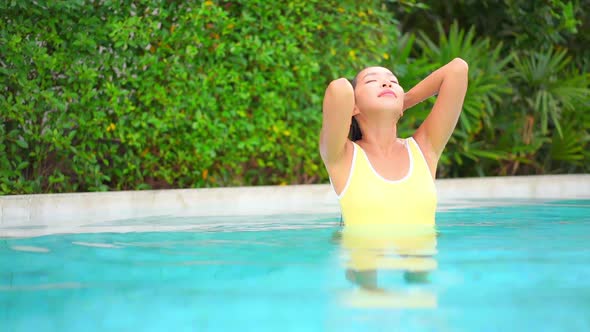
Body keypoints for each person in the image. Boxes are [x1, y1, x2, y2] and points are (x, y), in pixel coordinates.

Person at [321, 58, 468, 293]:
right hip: (364, 286)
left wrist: (403, 101)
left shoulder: (424, 149)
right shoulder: (342, 157)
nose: (386, 84)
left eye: (393, 82)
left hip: (421, 275)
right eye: (372, 81)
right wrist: (395, 99)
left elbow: (458, 69)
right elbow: (339, 89)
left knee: (421, 293)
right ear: (353, 107)